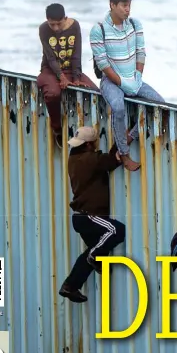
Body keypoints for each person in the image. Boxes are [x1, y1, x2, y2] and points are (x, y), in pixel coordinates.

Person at [90, 0, 165, 172]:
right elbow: (103, 64)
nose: (127, 9)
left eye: (129, 5)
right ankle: (123, 154)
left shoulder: (134, 24)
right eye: (123, 5)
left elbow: (141, 53)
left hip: (133, 78)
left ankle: (129, 137)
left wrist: (137, 77)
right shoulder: (99, 29)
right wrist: (122, 83)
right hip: (111, 80)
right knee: (118, 106)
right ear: (112, 5)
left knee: (160, 105)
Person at [59, 126, 125, 303]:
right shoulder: (90, 160)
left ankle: (70, 286)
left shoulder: (74, 159)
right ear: (89, 145)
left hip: (81, 218)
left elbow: (104, 161)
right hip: (90, 216)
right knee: (117, 231)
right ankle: (96, 256)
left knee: (92, 253)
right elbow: (111, 161)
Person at [37, 3, 97, 149]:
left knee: (96, 92)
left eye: (59, 24)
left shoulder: (74, 26)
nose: (56, 28)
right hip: (50, 70)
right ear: (47, 21)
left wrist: (76, 79)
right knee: (52, 94)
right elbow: (50, 57)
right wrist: (61, 77)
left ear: (65, 18)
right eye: (52, 24)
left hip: (71, 70)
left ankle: (90, 135)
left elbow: (76, 54)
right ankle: (57, 129)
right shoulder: (43, 29)